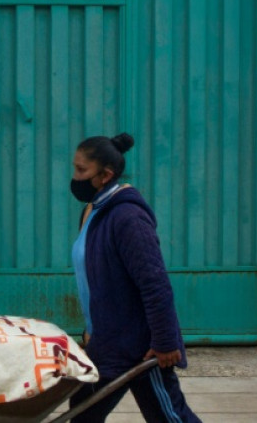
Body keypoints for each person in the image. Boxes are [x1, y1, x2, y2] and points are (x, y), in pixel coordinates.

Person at [67, 133, 201, 422]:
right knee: (81, 413)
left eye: (82, 171)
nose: (75, 177)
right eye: (74, 168)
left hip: (140, 347)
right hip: (107, 342)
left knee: (170, 417)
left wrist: (165, 342)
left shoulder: (127, 218)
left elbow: (154, 284)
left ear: (105, 175)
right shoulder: (93, 211)